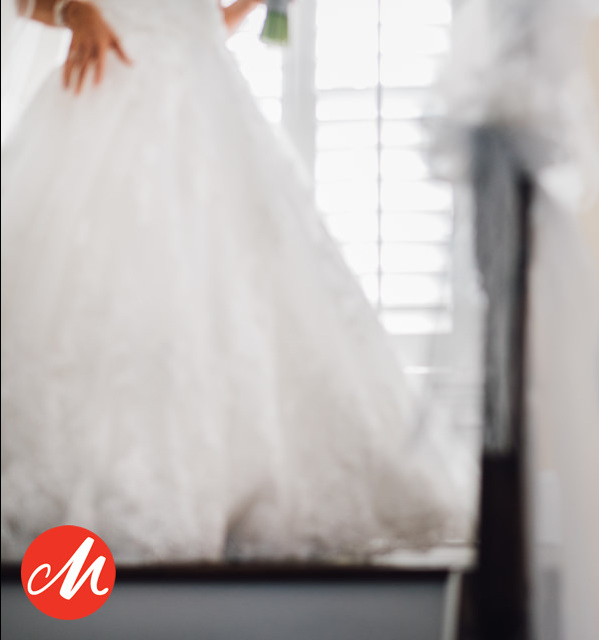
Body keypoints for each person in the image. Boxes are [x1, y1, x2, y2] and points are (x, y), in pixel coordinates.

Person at [1, 0, 467, 563]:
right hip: (109, 81)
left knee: (239, 299)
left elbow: (214, 17)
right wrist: (74, 11)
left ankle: (229, 492)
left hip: (207, 104)